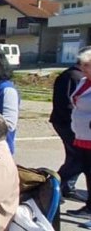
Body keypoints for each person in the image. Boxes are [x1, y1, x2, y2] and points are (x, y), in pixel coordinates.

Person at [50, 54, 85, 201]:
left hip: (68, 123)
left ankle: (64, 187)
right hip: (68, 123)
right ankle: (53, 186)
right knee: (78, 158)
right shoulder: (74, 76)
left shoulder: (74, 75)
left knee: (75, 157)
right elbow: (69, 104)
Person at [64, 47, 91, 219]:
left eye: (87, 65)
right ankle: (89, 207)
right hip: (82, 135)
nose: (82, 68)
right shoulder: (83, 81)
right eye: (82, 65)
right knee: (88, 172)